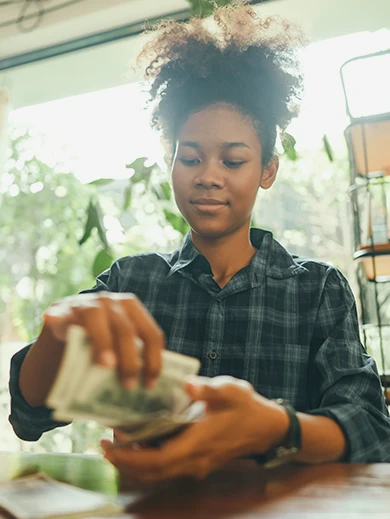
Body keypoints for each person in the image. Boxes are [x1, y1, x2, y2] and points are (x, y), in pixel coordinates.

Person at [9, 3, 390, 480]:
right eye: (190, 159)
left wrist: (277, 427)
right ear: (171, 162)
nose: (208, 176)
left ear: (267, 170)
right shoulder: (131, 281)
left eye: (233, 161)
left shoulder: (318, 290)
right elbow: (28, 417)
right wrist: (56, 332)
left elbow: (372, 432)